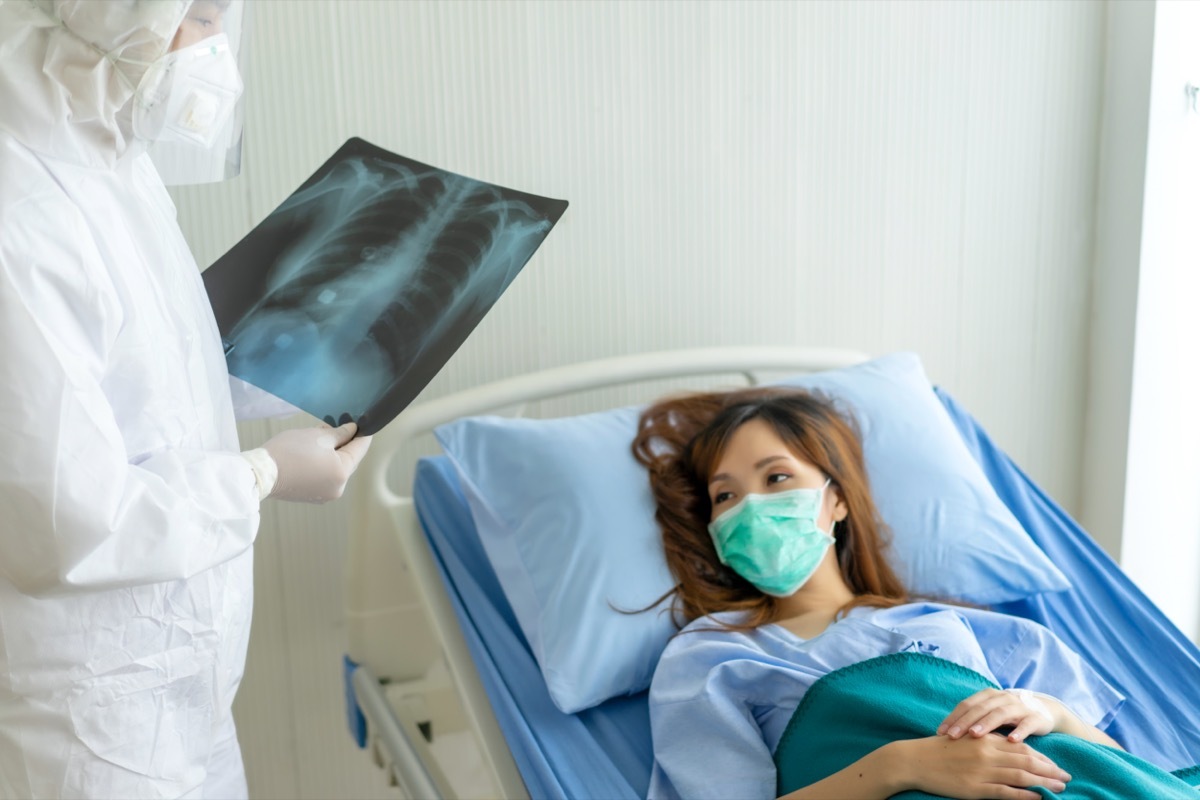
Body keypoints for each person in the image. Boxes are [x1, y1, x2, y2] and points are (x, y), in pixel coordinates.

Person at [0, 1, 371, 798]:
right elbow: (69, 521)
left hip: (177, 684)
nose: (217, 47)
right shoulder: (17, 217)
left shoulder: (106, 157)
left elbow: (130, 379)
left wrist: (261, 365)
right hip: (87, 728)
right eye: (199, 17)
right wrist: (265, 475)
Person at [631, 387, 1136, 800]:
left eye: (777, 477)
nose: (751, 508)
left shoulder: (966, 625)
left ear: (838, 500)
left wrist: (1058, 714)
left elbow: (1126, 774)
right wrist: (897, 766)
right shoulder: (707, 656)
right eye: (726, 496)